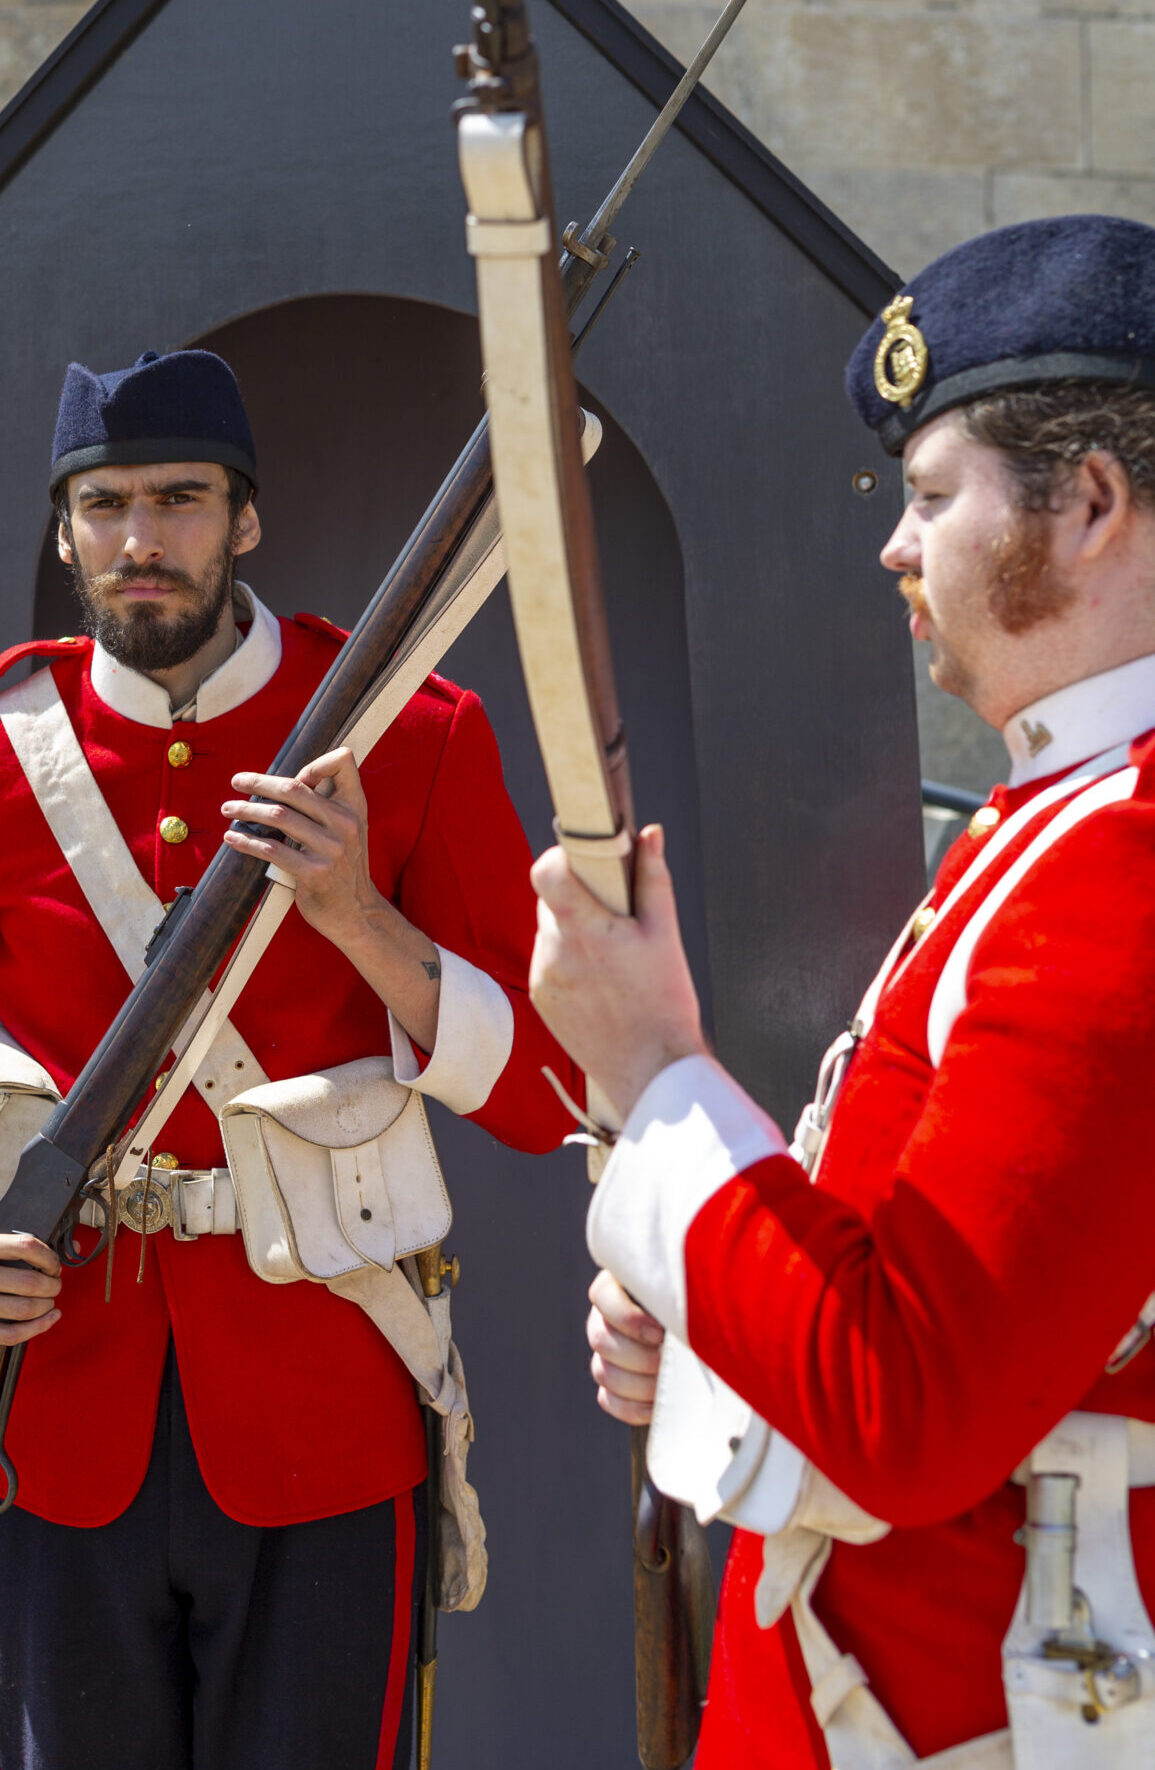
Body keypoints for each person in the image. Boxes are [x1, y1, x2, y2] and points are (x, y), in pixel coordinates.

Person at [0, 347, 578, 1770]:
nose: (143, 541)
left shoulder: (412, 733)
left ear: (245, 518)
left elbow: (541, 1095)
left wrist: (362, 917)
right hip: (54, 1422)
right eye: (106, 504)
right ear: (67, 529)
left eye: (182, 500)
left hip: (326, 1423)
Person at [528, 214, 1155, 1769]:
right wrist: (715, 1311)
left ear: (1087, 504)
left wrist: (661, 1073)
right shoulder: (1058, 820)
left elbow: (913, 1403)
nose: (895, 543)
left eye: (933, 497)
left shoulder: (1122, 858)